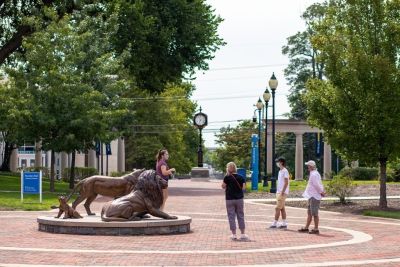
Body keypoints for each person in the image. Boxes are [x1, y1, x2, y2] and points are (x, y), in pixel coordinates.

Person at [221, 162, 248, 241]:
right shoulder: (241, 177)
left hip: (229, 199)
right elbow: (244, 188)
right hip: (239, 199)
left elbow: (223, 186)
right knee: (240, 215)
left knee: (231, 216)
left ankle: (234, 234)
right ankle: (243, 234)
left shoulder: (227, 177)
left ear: (228, 168)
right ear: (235, 168)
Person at [298, 160, 326, 235]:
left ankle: (316, 229)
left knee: (314, 213)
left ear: (311, 166)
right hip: (311, 195)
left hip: (314, 196)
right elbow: (318, 184)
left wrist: (321, 192)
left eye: (308, 165)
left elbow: (317, 185)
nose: (308, 167)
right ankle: (306, 227)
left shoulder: (314, 174)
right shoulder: (313, 173)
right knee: (310, 213)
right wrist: (322, 191)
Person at [269, 157, 290, 229]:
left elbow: (286, 182)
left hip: (282, 193)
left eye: (278, 162)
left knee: (277, 208)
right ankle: (284, 223)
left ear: (281, 162)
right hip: (279, 192)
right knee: (282, 208)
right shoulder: (280, 171)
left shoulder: (285, 171)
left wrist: (282, 192)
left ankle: (275, 223)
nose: (277, 163)